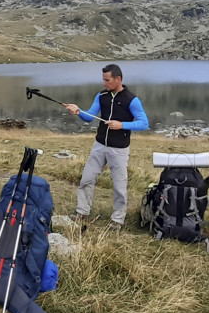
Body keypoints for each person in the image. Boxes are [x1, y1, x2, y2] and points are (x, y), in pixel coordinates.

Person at [64, 64, 149, 231]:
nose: (104, 83)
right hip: (99, 145)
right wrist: (78, 111)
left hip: (119, 149)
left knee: (119, 185)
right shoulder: (102, 96)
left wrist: (122, 125)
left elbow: (144, 123)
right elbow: (89, 117)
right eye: (103, 80)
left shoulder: (132, 100)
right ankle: (82, 211)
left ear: (118, 79)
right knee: (86, 179)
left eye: (107, 80)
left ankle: (117, 219)